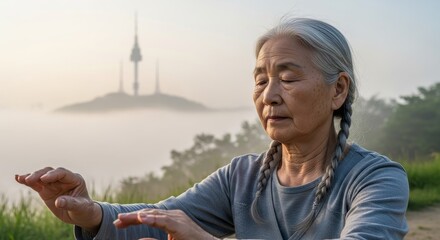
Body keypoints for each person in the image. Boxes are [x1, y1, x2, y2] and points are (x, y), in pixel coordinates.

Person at [15, 18, 409, 239]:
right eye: (260, 80)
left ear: (338, 89)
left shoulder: (375, 180)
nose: (269, 95)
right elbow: (161, 218)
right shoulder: (242, 178)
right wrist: (92, 214)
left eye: (287, 79)